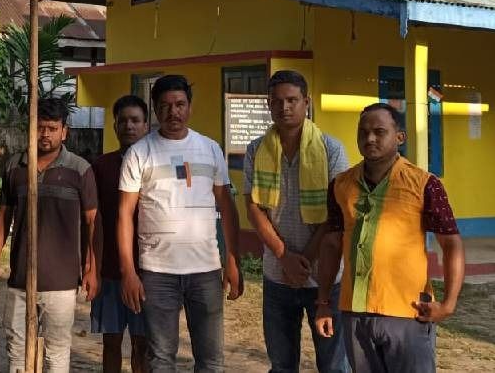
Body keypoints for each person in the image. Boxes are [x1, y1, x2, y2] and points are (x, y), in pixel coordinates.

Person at [314, 103, 466, 373]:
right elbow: (331, 244)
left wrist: (449, 303)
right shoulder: (341, 185)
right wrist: (324, 302)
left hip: (408, 313)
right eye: (363, 132)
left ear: (400, 137)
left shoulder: (424, 184)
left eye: (379, 131)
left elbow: (451, 244)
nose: (370, 138)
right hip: (355, 313)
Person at [117, 74, 243, 373]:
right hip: (158, 273)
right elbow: (124, 215)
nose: (174, 112)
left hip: (206, 271)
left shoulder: (210, 149)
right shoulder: (139, 153)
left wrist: (233, 262)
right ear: (155, 109)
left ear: (190, 106)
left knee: (211, 360)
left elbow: (227, 207)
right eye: (165, 106)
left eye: (180, 104)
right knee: (161, 359)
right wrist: (129, 272)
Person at [243, 70, 350, 373]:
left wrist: (302, 260)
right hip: (277, 276)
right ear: (268, 105)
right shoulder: (256, 150)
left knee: (334, 365)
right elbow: (252, 207)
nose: (284, 107)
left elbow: (336, 213)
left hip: (326, 278)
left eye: (292, 100)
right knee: (282, 364)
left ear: (307, 102)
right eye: (277, 101)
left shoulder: (331, 149)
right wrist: (283, 256)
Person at [0, 98, 99, 373]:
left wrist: (91, 267)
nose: (45, 134)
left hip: (61, 282)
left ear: (64, 131)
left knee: (56, 352)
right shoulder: (15, 167)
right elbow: (3, 217)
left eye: (52, 128)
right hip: (20, 279)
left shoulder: (79, 169)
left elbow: (93, 222)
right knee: (17, 350)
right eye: (39, 127)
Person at [91, 95, 152, 373]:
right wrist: (92, 265)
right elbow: (94, 220)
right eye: (123, 121)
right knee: (111, 342)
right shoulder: (100, 167)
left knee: (144, 345)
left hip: (149, 272)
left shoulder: (156, 165)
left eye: (135, 120)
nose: (129, 126)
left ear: (146, 125)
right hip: (110, 272)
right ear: (115, 126)